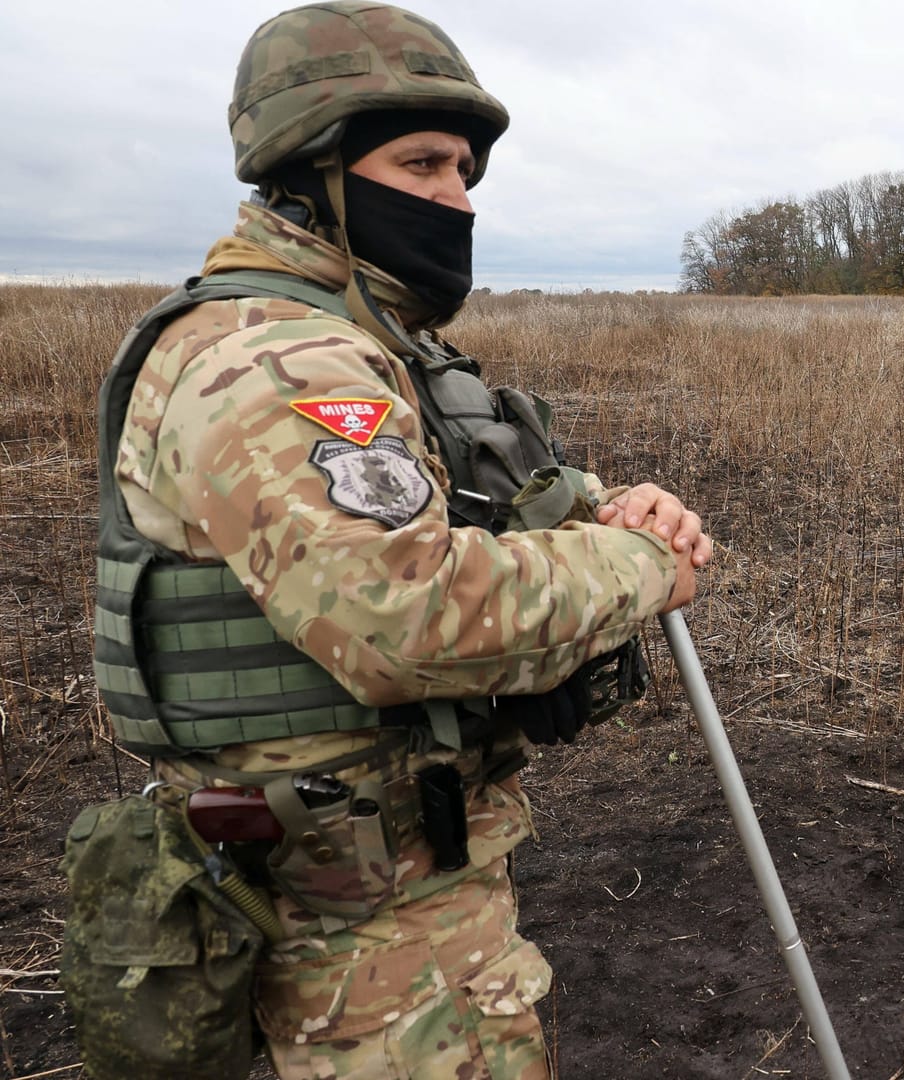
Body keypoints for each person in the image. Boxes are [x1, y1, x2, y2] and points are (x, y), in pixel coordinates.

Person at [70, 3, 709, 1076]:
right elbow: (406, 618)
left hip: (402, 891)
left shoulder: (361, 343)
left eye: (465, 170)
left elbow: (457, 503)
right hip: (352, 937)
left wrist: (610, 508)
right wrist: (647, 565)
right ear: (311, 169)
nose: (458, 199)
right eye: (423, 165)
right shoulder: (275, 359)